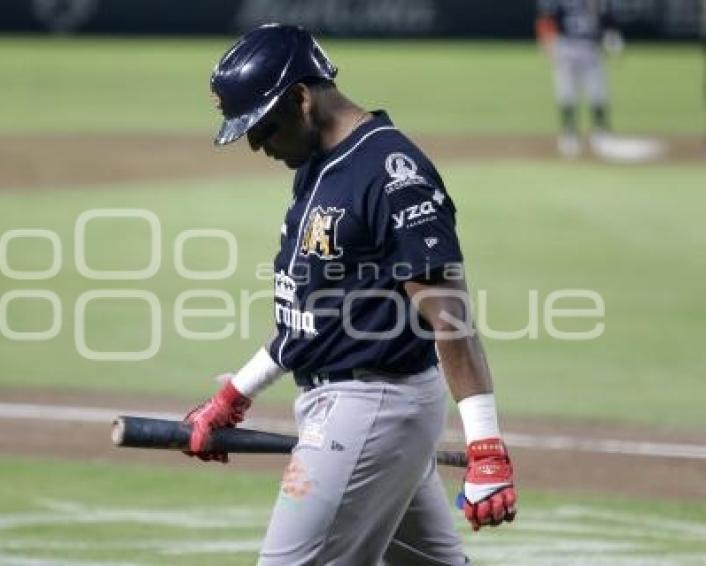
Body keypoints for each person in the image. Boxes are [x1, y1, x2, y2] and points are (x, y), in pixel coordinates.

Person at [182, 24, 517, 565]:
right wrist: (233, 397)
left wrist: (486, 448)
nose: (255, 144)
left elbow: (449, 317)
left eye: (262, 127)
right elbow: (313, 320)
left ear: (299, 98)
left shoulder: (390, 172)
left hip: (371, 411)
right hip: (354, 409)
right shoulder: (317, 168)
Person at [536, 0, 624, 158]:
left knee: (598, 93)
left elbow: (606, 20)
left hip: (590, 49)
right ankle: (569, 134)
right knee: (567, 93)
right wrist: (547, 44)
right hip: (566, 48)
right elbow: (546, 20)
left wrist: (612, 37)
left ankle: (600, 133)